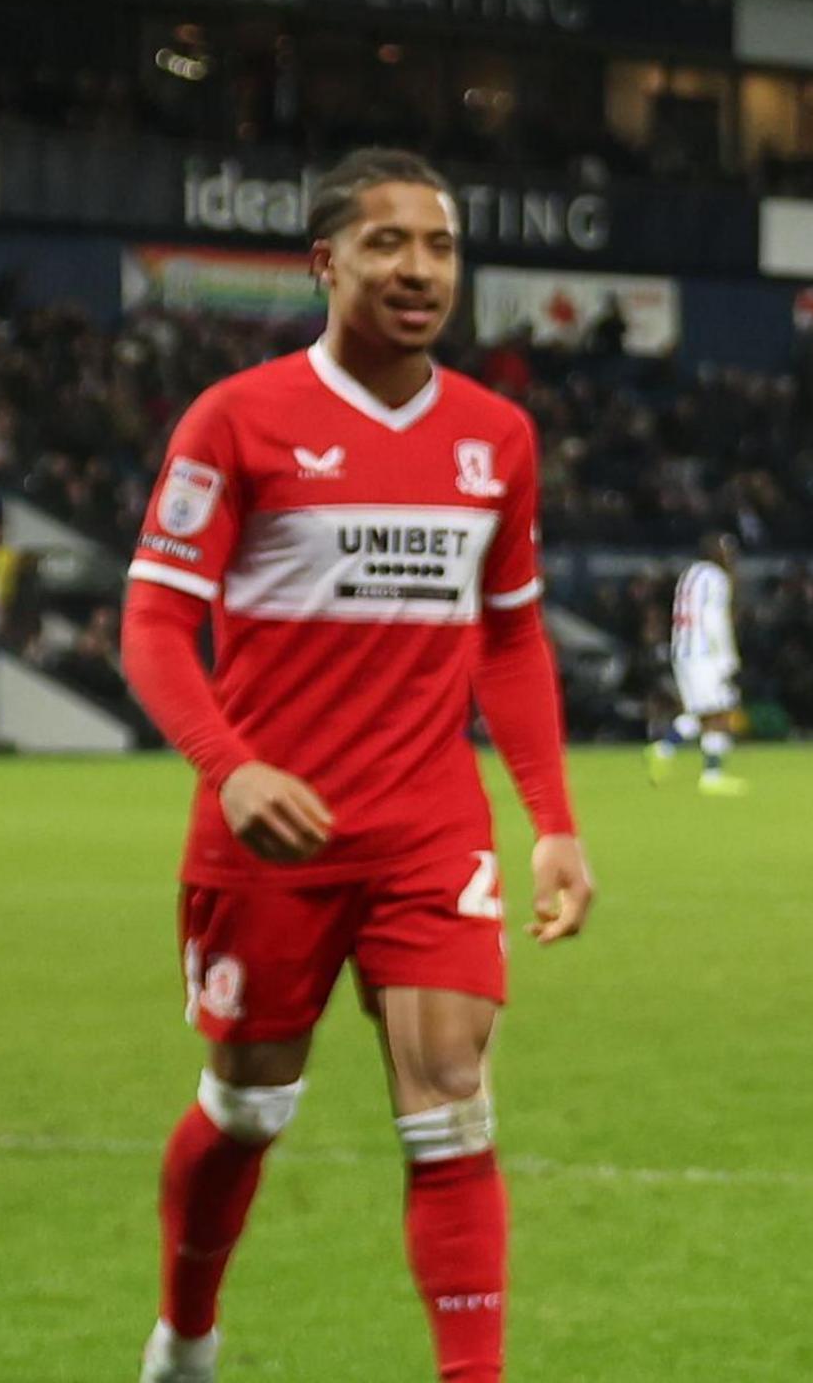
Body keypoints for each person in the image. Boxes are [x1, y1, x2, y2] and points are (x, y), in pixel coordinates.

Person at [117, 148, 590, 1383]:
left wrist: (551, 819)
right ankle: (186, 1334)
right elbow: (156, 625)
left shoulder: (497, 438)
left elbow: (512, 634)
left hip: (430, 830)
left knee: (451, 1096)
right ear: (324, 263)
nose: (419, 269)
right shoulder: (237, 419)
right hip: (269, 834)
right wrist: (229, 768)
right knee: (247, 1108)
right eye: (388, 244)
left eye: (439, 246)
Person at [651, 532, 748, 795]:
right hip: (705, 654)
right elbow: (715, 620)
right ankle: (709, 774)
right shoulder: (716, 578)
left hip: (684, 650)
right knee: (718, 713)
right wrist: (728, 658)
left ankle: (664, 750)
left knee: (706, 710)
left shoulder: (690, 574)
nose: (730, 556)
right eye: (726, 551)